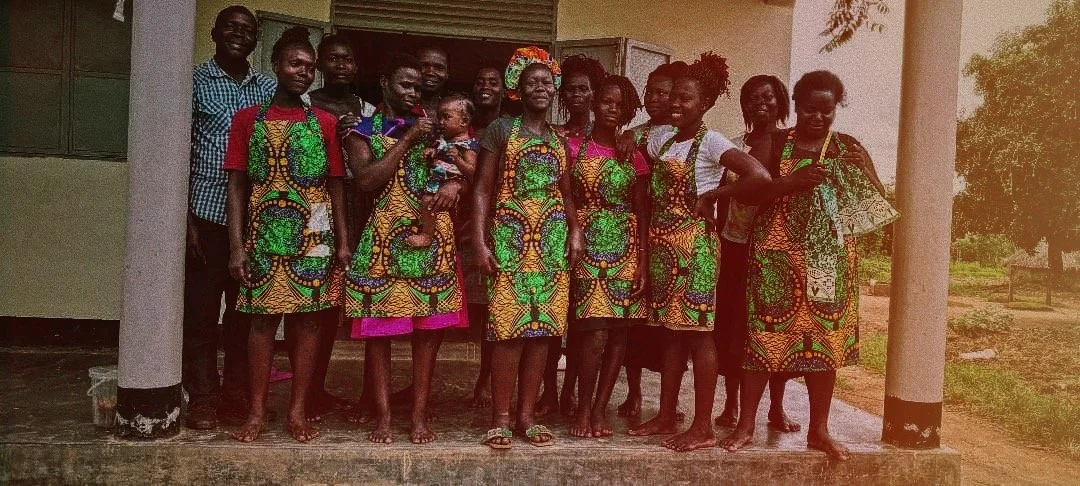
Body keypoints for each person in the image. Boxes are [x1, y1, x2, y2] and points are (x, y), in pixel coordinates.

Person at [719, 70, 897, 460]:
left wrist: (861, 172)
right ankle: (745, 425)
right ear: (796, 105)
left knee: (824, 341)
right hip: (774, 259)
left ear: (836, 109)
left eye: (826, 110)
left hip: (826, 261)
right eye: (810, 109)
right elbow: (747, 192)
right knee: (763, 338)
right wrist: (791, 183)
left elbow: (876, 200)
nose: (817, 117)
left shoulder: (848, 146)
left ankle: (818, 431)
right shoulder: (773, 142)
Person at [627, 52, 772, 452]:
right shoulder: (667, 140)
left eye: (685, 98)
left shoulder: (712, 141)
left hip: (695, 251)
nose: (675, 103)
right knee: (673, 336)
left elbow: (759, 175)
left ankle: (703, 427)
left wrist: (715, 194)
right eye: (673, 96)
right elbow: (635, 142)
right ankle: (665, 414)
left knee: (698, 336)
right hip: (665, 250)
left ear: (704, 103)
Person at [223, 26, 349, 443]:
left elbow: (335, 186)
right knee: (261, 322)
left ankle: (297, 411)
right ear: (276, 66)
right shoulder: (248, 120)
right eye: (295, 64)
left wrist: (342, 242)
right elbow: (237, 185)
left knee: (309, 323)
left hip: (313, 233)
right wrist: (236, 246)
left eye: (309, 67)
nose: (303, 72)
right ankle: (257, 411)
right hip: (263, 233)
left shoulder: (324, 122)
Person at [343, 52, 468, 445]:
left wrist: (455, 184)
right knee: (380, 333)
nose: (413, 91)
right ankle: (383, 416)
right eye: (405, 84)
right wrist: (408, 139)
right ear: (385, 84)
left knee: (427, 336)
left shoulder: (436, 127)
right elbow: (366, 180)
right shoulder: (362, 129)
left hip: (432, 237)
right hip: (384, 239)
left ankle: (417, 416)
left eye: (417, 86)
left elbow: (465, 162)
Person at [474, 47, 583, 449]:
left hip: (551, 245)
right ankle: (501, 419)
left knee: (542, 332)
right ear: (517, 89)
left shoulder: (559, 140)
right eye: (532, 81)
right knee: (508, 330)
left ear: (554, 89)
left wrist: (575, 231)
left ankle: (527, 416)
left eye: (546, 81)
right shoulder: (501, 130)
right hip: (510, 242)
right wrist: (479, 241)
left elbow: (566, 193)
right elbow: (482, 188)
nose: (541, 87)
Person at [184, 5, 276, 430]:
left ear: (256, 39)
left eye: (248, 30)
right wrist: (185, 221)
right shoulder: (195, 82)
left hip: (256, 222)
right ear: (215, 33)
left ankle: (236, 397)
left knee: (244, 317)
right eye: (231, 27)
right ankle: (203, 399)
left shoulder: (268, 87)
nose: (239, 34)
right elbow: (179, 150)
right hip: (206, 215)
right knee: (201, 316)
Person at [290, 33, 377, 423]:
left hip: (361, 208)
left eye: (348, 59)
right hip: (316, 210)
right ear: (319, 65)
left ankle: (365, 396)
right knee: (317, 305)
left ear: (356, 67)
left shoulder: (368, 110)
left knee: (362, 302)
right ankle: (309, 391)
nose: (341, 65)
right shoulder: (305, 104)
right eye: (333, 58)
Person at [712, 75, 799, 432]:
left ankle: (776, 408)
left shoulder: (790, 145)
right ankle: (731, 404)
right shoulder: (734, 146)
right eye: (753, 98)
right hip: (735, 246)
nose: (761, 103)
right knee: (735, 327)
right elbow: (722, 198)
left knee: (772, 330)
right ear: (744, 105)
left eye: (768, 97)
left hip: (775, 251)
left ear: (781, 102)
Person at [566, 75, 650, 438]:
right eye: (605, 102)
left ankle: (599, 409)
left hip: (625, 248)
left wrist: (643, 260)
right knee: (594, 332)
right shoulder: (572, 147)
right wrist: (574, 230)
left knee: (618, 335)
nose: (612, 109)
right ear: (593, 104)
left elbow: (642, 210)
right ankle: (583, 408)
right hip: (586, 245)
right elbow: (566, 196)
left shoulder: (634, 154)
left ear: (628, 110)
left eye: (619, 104)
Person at [536, 53, 608, 418]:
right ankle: (549, 392)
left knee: (584, 324)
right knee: (551, 322)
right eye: (571, 90)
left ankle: (573, 394)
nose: (577, 95)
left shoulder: (607, 137)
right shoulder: (551, 134)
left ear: (594, 94)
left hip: (595, 242)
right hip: (552, 235)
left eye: (585, 89)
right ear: (561, 94)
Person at [617, 61, 685, 420]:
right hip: (638, 233)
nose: (656, 98)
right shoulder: (633, 135)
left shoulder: (683, 136)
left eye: (664, 92)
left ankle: (669, 402)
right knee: (635, 323)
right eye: (652, 91)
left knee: (672, 326)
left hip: (674, 238)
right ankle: (634, 392)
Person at [463, 65, 508, 409]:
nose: (486, 87)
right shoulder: (459, 125)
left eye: (493, 82)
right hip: (455, 226)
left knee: (493, 312)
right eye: (480, 81)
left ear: (505, 89)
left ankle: (485, 379)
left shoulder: (509, 130)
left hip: (494, 225)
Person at [409, 94, 478, 248]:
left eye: (446, 117)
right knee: (427, 202)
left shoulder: (468, 146)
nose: (441, 122)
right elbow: (438, 153)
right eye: (439, 117)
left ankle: (427, 235)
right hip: (436, 181)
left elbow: (473, 172)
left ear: (464, 121)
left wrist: (458, 160)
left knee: (428, 202)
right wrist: (432, 152)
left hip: (452, 186)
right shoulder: (442, 140)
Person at [416, 46, 450, 117]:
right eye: (424, 66)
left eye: (439, 68)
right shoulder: (402, 106)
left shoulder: (452, 109)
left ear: (447, 74)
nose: (430, 73)